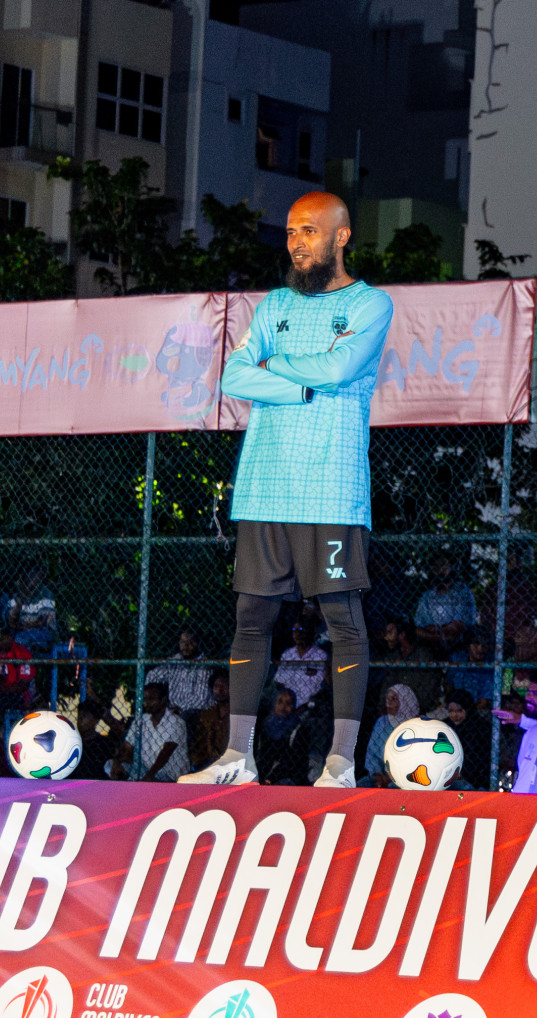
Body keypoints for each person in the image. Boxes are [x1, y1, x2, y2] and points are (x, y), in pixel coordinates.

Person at [183, 191, 392, 788]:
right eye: (290, 232)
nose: (296, 241)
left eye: (308, 230)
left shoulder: (371, 304)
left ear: (341, 236)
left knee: (341, 620)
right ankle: (236, 759)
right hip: (264, 487)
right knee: (251, 616)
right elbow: (233, 374)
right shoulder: (273, 303)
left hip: (330, 488)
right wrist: (299, 384)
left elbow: (339, 370)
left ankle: (342, 763)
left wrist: (275, 372)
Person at [114, 682, 189, 783]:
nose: (146, 703)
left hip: (170, 773)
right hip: (147, 770)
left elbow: (166, 753)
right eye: (145, 699)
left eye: (151, 699)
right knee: (110, 765)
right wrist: (118, 762)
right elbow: (127, 746)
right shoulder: (141, 721)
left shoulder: (175, 722)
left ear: (163, 700)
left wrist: (149, 777)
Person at [414, 554, 478, 652]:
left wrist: (433, 629)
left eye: (443, 565)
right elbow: (418, 629)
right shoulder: (427, 596)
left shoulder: (461, 591)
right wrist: (440, 633)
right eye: (436, 566)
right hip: (430, 646)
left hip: (458, 645)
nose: (439, 569)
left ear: (451, 568)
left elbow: (456, 628)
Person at [362, 683, 422, 787]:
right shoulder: (382, 722)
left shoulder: (418, 724)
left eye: (394, 699)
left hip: (408, 776)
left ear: (406, 701)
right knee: (363, 784)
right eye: (387, 699)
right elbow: (372, 753)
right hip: (383, 774)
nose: (388, 702)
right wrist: (378, 774)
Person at [148, 629, 214, 720]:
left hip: (195, 713)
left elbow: (200, 700)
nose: (185, 646)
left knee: (185, 716)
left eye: (190, 642)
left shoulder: (205, 666)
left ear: (198, 643)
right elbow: (152, 677)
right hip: (173, 711)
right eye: (182, 642)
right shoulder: (176, 661)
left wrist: (178, 710)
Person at [379, 619, 443, 714]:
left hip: (419, 708)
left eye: (390, 632)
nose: (386, 637)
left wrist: (410, 705)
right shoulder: (395, 656)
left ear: (402, 635)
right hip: (396, 708)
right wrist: (384, 705)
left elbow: (429, 687)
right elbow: (388, 683)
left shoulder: (423, 655)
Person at [0, 622, 36, 716]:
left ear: (10, 637)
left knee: (4, 703)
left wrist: (1, 690)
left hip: (15, 695)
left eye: (0, 640)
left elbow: (23, 684)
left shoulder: (22, 653)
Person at [256, 689, 310, 785]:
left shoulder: (296, 727)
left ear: (293, 706)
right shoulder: (265, 724)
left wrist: (271, 778)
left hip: (287, 775)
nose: (283, 706)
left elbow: (292, 760)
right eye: (280, 701)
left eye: (288, 703)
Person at [445, 688, 492, 789]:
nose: (454, 715)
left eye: (459, 711)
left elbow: (480, 761)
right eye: (451, 711)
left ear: (468, 709)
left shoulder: (481, 728)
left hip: (476, 781)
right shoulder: (446, 727)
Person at [6, 563, 57, 651]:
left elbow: (43, 623)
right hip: (19, 630)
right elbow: (11, 623)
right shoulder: (14, 595)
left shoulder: (46, 594)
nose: (31, 582)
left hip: (42, 632)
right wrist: (20, 603)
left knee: (20, 638)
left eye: (36, 580)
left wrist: (21, 626)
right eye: (28, 579)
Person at [276, 621, 329, 706]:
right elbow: (279, 681)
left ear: (308, 632)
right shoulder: (288, 654)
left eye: (300, 630)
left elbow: (322, 687)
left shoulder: (321, 655)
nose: (297, 633)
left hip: (311, 705)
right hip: (288, 704)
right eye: (294, 630)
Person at [188, 671, 231, 772]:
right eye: (216, 686)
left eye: (224, 687)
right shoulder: (207, 715)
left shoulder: (239, 715)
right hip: (208, 761)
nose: (219, 690)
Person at [70, 700, 123, 781]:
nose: (80, 720)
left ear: (95, 720)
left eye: (84, 716)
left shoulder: (104, 744)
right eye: (79, 716)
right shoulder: (72, 742)